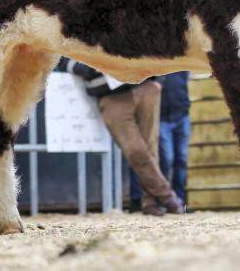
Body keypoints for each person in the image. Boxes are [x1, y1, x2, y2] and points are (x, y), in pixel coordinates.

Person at [54, 57, 184, 216]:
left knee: (150, 148)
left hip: (146, 86)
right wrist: (90, 66)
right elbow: (61, 57)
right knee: (135, 150)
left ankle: (150, 202)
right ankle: (167, 196)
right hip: (110, 95)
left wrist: (159, 81)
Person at [158, 71, 191, 205]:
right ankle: (166, 198)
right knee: (167, 159)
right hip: (163, 117)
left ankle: (180, 199)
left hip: (182, 115)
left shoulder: (182, 66)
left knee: (181, 159)